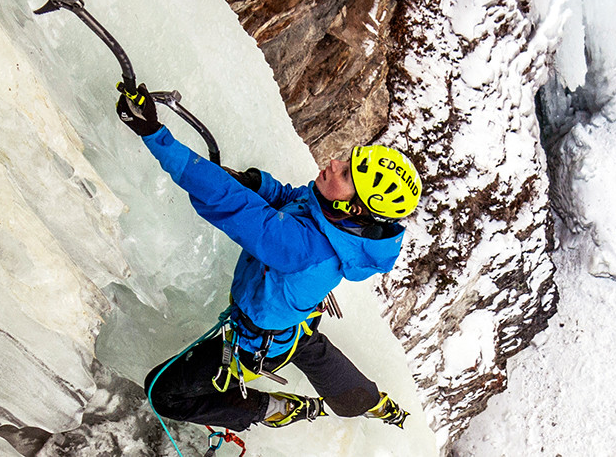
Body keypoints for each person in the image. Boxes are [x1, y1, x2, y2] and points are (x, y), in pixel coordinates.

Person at [115, 83, 417, 431]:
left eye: (346, 173)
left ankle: (269, 408)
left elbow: (233, 206)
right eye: (348, 161)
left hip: (253, 343)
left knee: (162, 392)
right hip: (292, 323)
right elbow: (293, 199)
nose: (335, 163)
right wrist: (256, 182)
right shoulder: (338, 218)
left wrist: (156, 136)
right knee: (309, 348)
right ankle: (371, 403)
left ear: (355, 207)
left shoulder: (305, 248)